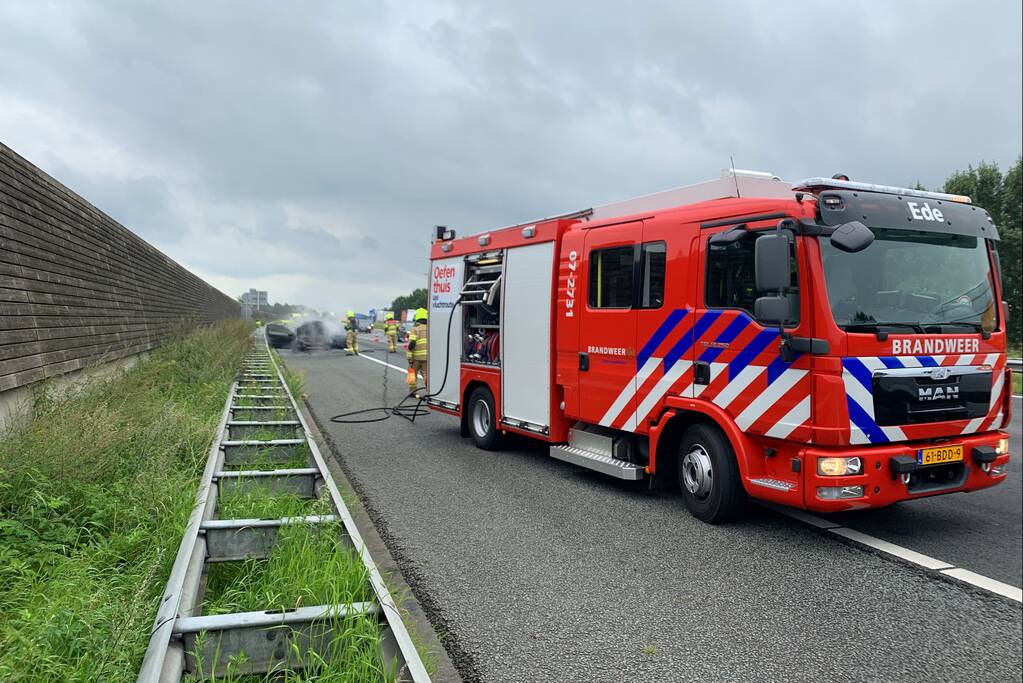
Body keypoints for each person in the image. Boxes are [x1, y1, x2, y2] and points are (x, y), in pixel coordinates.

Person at [406, 308, 428, 395]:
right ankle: (429, 392)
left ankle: (413, 391)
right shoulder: (430, 328)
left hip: (416, 357)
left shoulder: (415, 329)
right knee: (426, 375)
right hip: (427, 357)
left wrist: (409, 358)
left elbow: (411, 344)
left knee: (411, 373)